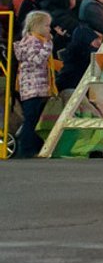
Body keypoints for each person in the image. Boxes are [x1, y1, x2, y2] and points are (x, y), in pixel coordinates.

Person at [11, 9, 55, 158]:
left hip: (37, 86)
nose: (50, 29)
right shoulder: (33, 41)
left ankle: (32, 146)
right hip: (32, 86)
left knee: (35, 118)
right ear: (37, 26)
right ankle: (26, 149)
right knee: (31, 119)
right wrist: (48, 45)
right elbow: (37, 60)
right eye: (47, 26)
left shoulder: (34, 40)